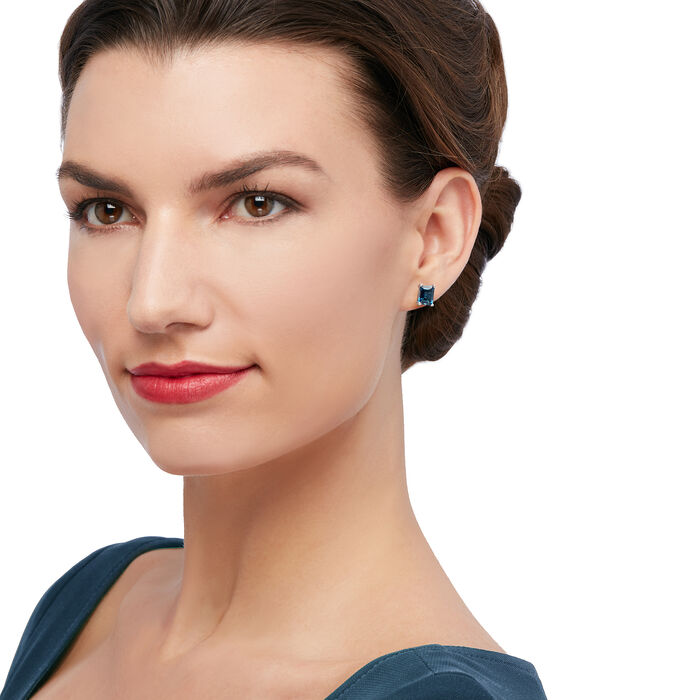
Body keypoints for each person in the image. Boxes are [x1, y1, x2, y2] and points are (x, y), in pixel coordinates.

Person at [1, 0, 548, 698]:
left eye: (257, 203)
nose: (153, 302)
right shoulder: (94, 602)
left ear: (434, 237)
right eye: (106, 211)